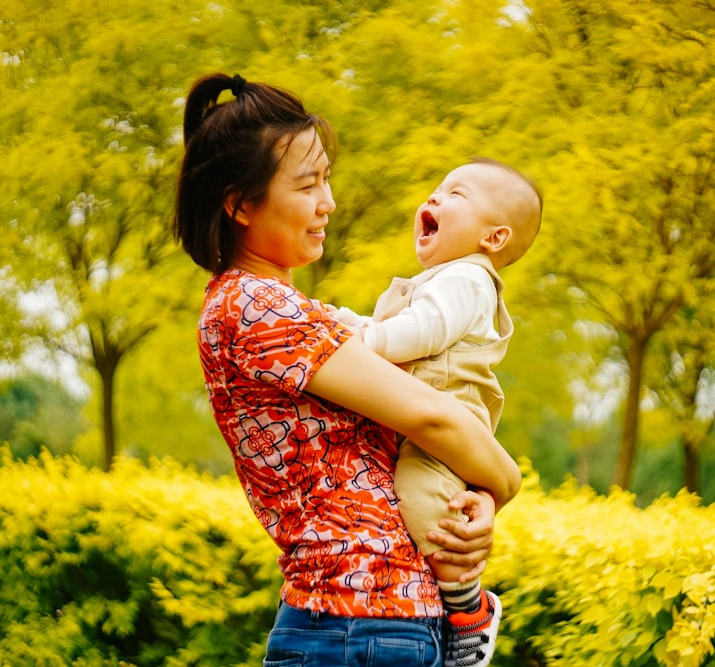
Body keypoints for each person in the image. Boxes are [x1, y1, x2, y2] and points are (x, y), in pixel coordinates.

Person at [172, 72, 522, 667]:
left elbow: (406, 447)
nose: (328, 203)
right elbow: (437, 421)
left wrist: (478, 498)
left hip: (372, 621)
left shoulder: (289, 309)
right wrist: (505, 484)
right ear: (239, 204)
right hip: (354, 624)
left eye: (326, 180)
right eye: (308, 185)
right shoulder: (256, 307)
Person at [329, 158, 542, 665]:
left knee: (431, 510)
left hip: (449, 413)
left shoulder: (468, 278)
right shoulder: (445, 281)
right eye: (437, 190)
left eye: (457, 195)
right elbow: (408, 327)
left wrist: (362, 340)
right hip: (424, 415)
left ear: (493, 238)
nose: (435, 199)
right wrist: (349, 323)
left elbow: (421, 333)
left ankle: (469, 613)